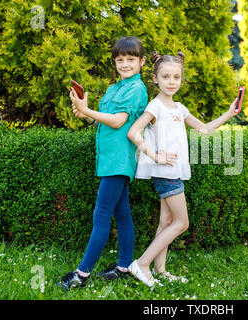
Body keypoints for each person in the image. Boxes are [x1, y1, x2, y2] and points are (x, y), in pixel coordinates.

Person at [126, 51, 239, 287]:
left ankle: (160, 269)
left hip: (175, 171)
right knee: (181, 223)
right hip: (165, 172)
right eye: (166, 77)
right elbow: (133, 132)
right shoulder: (155, 106)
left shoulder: (180, 108)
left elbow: (205, 129)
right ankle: (142, 264)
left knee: (166, 221)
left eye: (176, 77)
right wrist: (155, 155)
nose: (171, 82)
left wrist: (229, 113)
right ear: (155, 78)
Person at [56, 36, 148, 290]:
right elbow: (104, 121)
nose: (125, 64)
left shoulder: (136, 88)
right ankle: (124, 267)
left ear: (141, 62)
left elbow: (119, 121)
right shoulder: (114, 88)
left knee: (101, 215)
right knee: (122, 214)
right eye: (120, 60)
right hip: (109, 159)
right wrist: (86, 115)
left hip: (120, 159)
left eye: (131, 59)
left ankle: (81, 275)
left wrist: (87, 110)